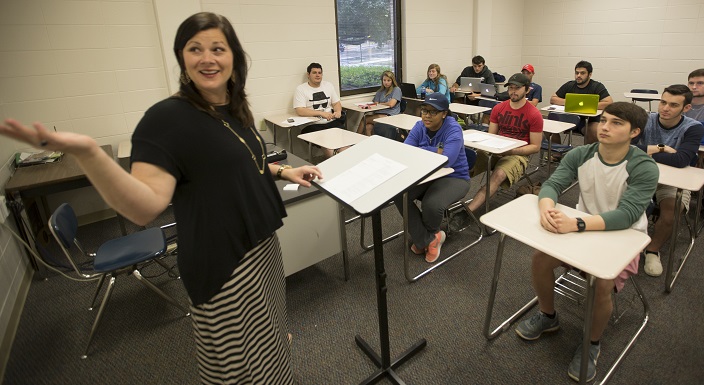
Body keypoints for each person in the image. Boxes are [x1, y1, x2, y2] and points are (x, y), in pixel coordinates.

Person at [0, 12, 322, 384]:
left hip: (261, 248)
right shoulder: (167, 119)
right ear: (182, 58)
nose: (208, 57)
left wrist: (283, 171)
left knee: (269, 339)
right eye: (195, 48)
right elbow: (145, 206)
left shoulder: (233, 107)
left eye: (218, 48)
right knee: (238, 370)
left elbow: (240, 163)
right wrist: (89, 153)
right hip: (222, 263)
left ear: (233, 55)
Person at [514, 102, 658, 383]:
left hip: (624, 236)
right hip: (582, 226)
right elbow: (552, 185)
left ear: (635, 132)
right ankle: (548, 315)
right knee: (540, 259)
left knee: (600, 282)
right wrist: (546, 208)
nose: (605, 127)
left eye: (617, 123)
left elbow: (626, 215)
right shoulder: (582, 154)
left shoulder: (644, 166)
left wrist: (577, 224)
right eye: (604, 120)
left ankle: (592, 343)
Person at [449, 73, 543, 232]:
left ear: (527, 90)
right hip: (496, 148)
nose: (513, 92)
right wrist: (493, 148)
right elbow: (491, 136)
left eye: (517, 88)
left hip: (517, 154)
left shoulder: (534, 114)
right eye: (511, 88)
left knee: (498, 174)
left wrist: (511, 150)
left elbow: (535, 146)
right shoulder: (499, 108)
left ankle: (467, 213)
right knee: (464, 163)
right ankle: (445, 200)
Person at [634, 85, 704, 277]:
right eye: (663, 102)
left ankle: (652, 250)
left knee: (673, 211)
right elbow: (625, 146)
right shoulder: (646, 119)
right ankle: (627, 241)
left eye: (673, 105)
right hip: (641, 172)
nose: (665, 108)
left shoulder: (693, 127)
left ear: (686, 108)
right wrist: (661, 148)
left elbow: (681, 160)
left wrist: (645, 151)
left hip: (673, 179)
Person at [396, 92, 470, 263]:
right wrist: (434, 151)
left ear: (444, 113)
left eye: (432, 112)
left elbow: (446, 160)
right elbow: (406, 151)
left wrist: (422, 151)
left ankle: (426, 236)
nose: (427, 116)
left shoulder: (453, 129)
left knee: (432, 204)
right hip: (426, 174)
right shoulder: (419, 126)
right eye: (424, 110)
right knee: (399, 194)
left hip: (455, 176)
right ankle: (430, 238)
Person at [550, 60, 613, 144]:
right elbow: (553, 99)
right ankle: (556, 153)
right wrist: (571, 102)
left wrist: (586, 105)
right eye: (577, 73)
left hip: (588, 121)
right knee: (547, 126)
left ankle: (587, 155)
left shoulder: (596, 86)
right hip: (568, 118)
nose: (578, 76)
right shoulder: (569, 85)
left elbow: (609, 103)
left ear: (589, 74)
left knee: (595, 131)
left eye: (582, 73)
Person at [293, 62, 346, 134]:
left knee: (342, 138)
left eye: (319, 73)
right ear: (308, 75)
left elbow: (336, 103)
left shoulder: (328, 85)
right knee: (326, 141)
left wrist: (338, 111)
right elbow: (300, 110)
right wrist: (321, 113)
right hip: (313, 124)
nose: (317, 75)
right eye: (314, 73)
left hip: (331, 122)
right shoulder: (301, 89)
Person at [358, 70, 402, 136]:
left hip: (390, 115)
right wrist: (380, 103)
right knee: (368, 127)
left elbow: (391, 104)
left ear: (392, 81)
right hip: (379, 113)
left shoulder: (396, 89)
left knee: (364, 119)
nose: (386, 82)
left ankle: (354, 140)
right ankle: (369, 144)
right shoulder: (380, 91)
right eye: (384, 80)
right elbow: (375, 103)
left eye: (388, 80)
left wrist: (380, 103)